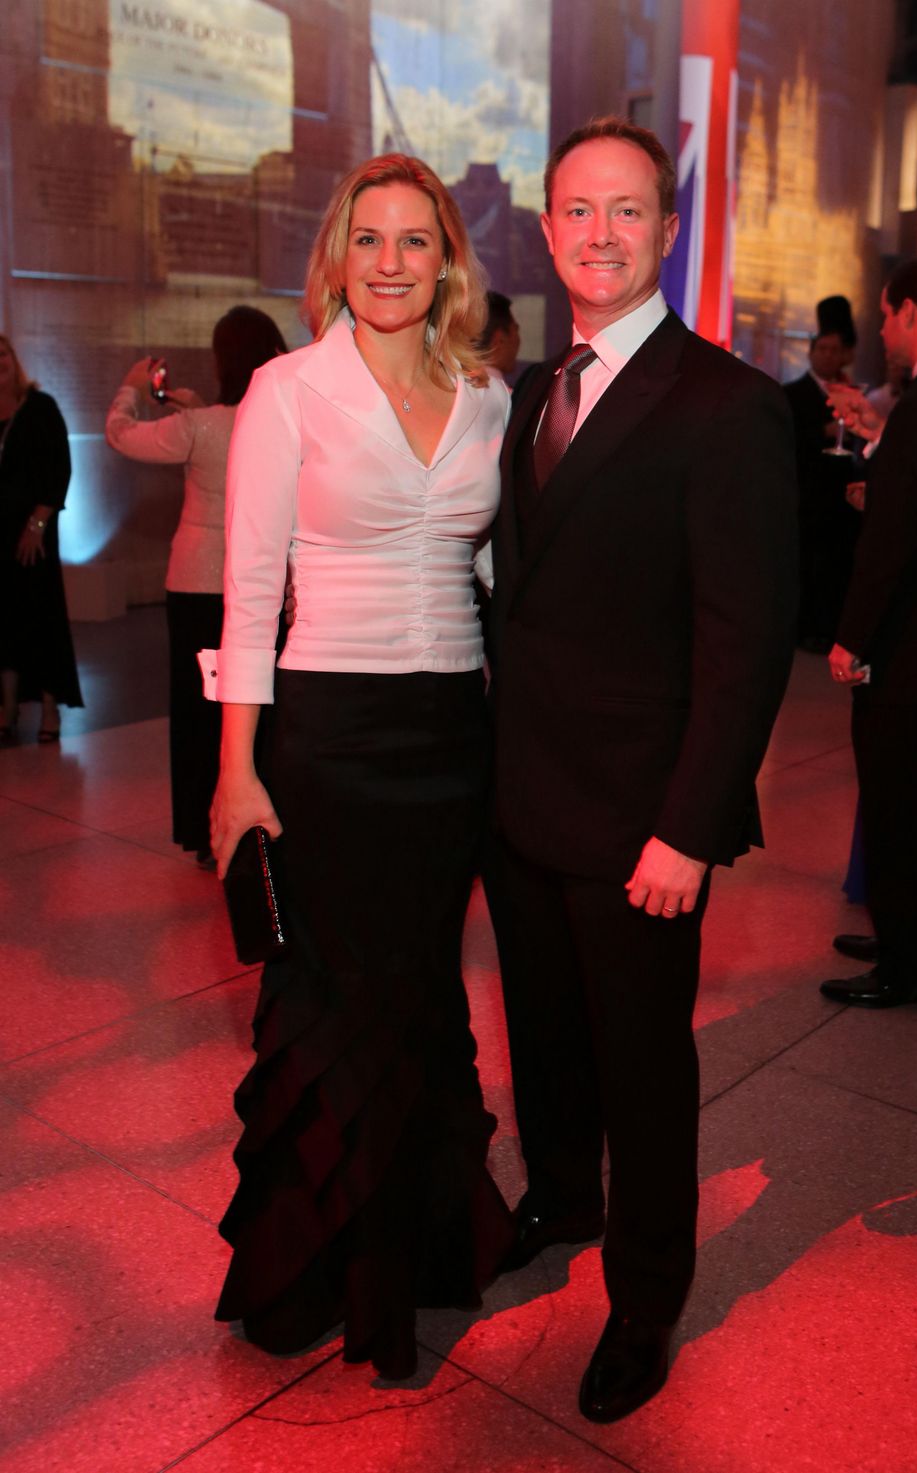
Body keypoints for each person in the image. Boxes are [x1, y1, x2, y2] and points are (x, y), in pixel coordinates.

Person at [484, 117, 797, 1423]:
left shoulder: (726, 404)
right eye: (576, 211)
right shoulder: (526, 396)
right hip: (522, 800)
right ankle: (560, 1194)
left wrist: (689, 830)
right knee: (545, 1041)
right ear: (547, 230)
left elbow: (747, 645)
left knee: (643, 1065)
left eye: (627, 212)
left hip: (640, 825)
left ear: (666, 232)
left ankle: (648, 1291)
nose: (599, 234)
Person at [207, 153, 514, 1380]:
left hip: (452, 740)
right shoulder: (287, 390)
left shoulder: (485, 395)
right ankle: (328, 1270)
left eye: (414, 241)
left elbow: (493, 576)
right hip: (327, 738)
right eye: (367, 240)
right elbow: (244, 596)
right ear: (336, 255)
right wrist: (237, 774)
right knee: (341, 1000)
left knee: (423, 995)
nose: (390, 263)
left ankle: (417, 1255)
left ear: (447, 259)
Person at [821, 256, 917, 1010]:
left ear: (913, 312)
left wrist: (852, 637)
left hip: (910, 646)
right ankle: (915, 942)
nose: (881, 327)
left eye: (886, 314)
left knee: (899, 803)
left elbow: (897, 539)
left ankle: (906, 968)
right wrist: (881, 446)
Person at [105, 307, 287, 866]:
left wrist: (131, 390)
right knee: (261, 705)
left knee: (197, 711)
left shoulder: (200, 426)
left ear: (221, 359)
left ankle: (203, 830)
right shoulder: (278, 418)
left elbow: (121, 435)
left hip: (195, 583)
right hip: (265, 582)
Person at [0, 334, 83, 743]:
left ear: (15, 360)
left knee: (42, 618)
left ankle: (51, 710)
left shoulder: (41, 408)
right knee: (3, 621)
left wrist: (37, 524)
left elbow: (59, 470)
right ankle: (8, 707)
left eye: (3, 353)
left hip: (36, 534)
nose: (0, 361)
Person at [783, 319, 861, 653]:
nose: (829, 357)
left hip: (840, 496)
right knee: (806, 562)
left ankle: (828, 627)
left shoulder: (849, 392)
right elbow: (788, 441)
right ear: (811, 352)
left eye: (835, 351)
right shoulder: (793, 393)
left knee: (835, 563)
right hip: (807, 493)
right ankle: (804, 628)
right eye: (823, 349)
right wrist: (824, 433)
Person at [478, 290, 522, 378]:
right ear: (500, 340)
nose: (519, 340)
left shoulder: (452, 385)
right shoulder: (500, 390)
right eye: (516, 329)